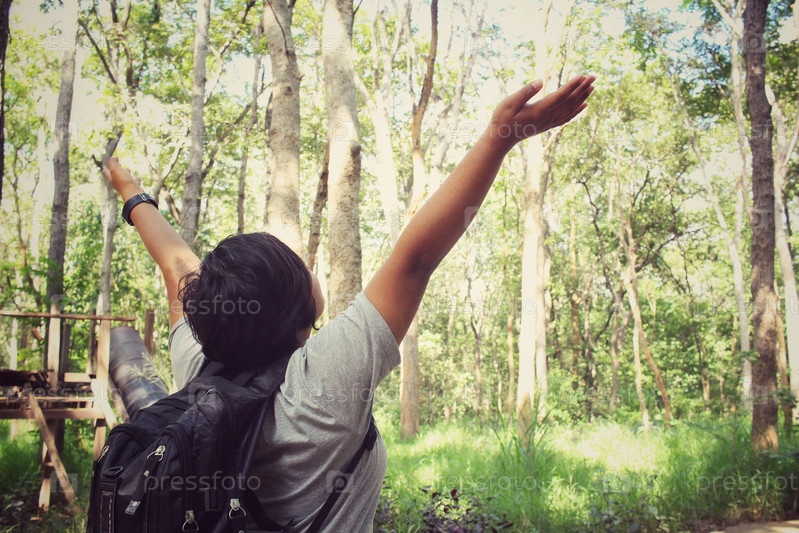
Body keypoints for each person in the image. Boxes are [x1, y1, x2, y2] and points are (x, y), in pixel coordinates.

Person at [102, 73, 595, 532]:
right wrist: (501, 137)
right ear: (300, 303)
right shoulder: (319, 389)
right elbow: (415, 259)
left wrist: (131, 192)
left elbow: (176, 267)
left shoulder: (200, 372)